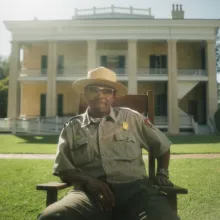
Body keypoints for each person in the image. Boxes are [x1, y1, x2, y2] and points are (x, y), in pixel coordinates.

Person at [38, 67, 179, 220]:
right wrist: (89, 181)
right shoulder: (72, 127)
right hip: (88, 195)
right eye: (93, 90)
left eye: (106, 91)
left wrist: (162, 173)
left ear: (113, 96)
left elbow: (162, 145)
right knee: (51, 217)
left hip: (136, 193)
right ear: (86, 94)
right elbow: (63, 169)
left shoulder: (132, 118)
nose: (100, 95)